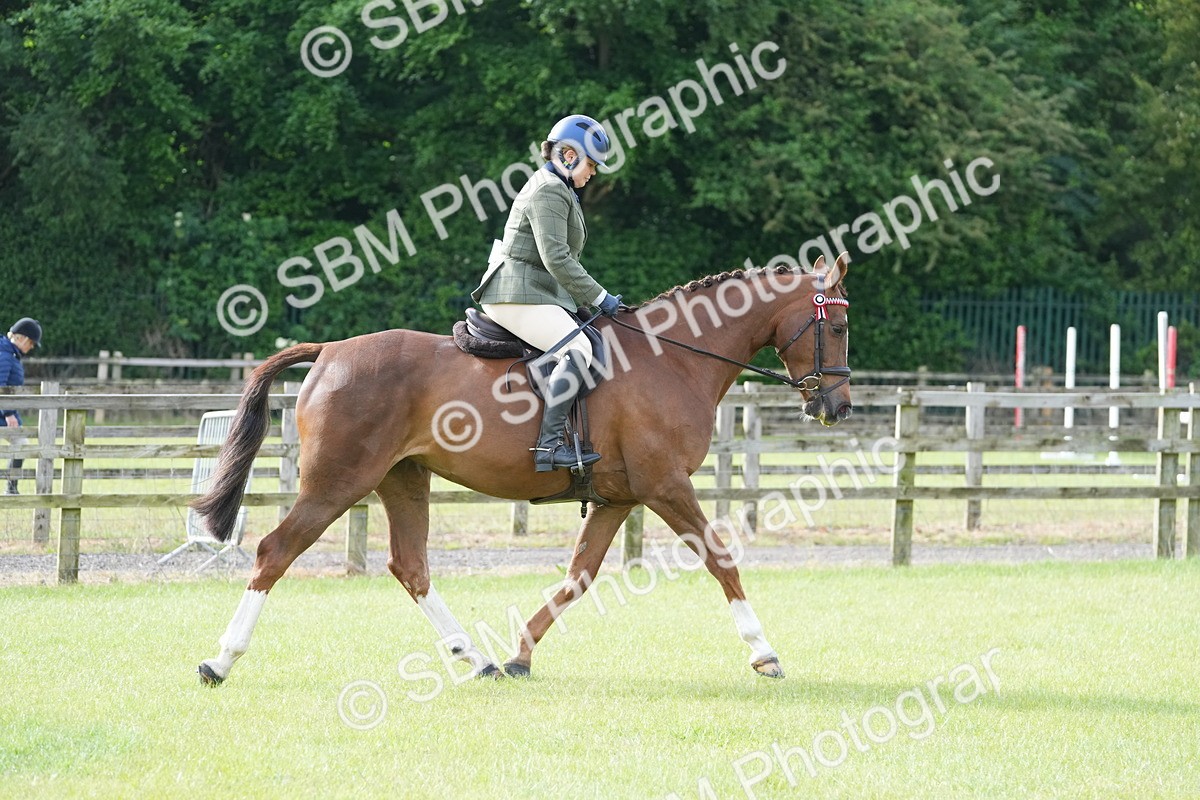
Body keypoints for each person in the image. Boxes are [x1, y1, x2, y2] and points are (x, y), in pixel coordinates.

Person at [471, 114, 622, 472]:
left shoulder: (559, 188)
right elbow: (556, 257)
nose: (594, 172)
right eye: (591, 164)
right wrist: (600, 297)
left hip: (536, 291)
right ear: (569, 156)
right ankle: (549, 447)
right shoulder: (549, 190)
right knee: (579, 347)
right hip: (515, 292)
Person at [1, 317, 40, 494]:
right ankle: (11, 487)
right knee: (21, 443)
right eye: (31, 343)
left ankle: (11, 486)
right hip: (4, 412)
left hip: (6, 411)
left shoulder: (10, 354)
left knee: (22, 443)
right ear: (22, 338)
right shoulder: (6, 356)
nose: (31, 347)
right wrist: (8, 413)